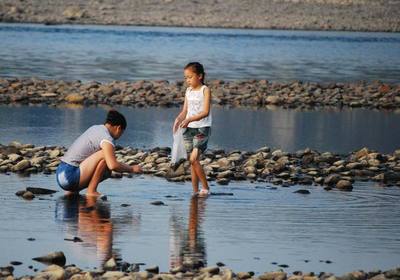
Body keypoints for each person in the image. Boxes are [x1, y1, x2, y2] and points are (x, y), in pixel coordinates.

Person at [56, 109, 142, 196]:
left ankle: (72, 192)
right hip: (70, 176)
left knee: (105, 167)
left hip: (60, 174)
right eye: (121, 133)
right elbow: (113, 165)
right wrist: (132, 169)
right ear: (118, 128)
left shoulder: (95, 128)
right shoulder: (107, 139)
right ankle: (91, 191)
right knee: (105, 156)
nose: (119, 137)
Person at [173, 62, 212, 196]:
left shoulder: (205, 90)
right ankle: (195, 191)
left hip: (202, 128)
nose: (187, 80)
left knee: (194, 159)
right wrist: (178, 120)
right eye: (186, 78)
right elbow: (185, 111)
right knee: (192, 161)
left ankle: (206, 188)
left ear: (199, 76)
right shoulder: (188, 91)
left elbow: (205, 112)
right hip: (189, 129)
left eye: (190, 77)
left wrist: (190, 119)